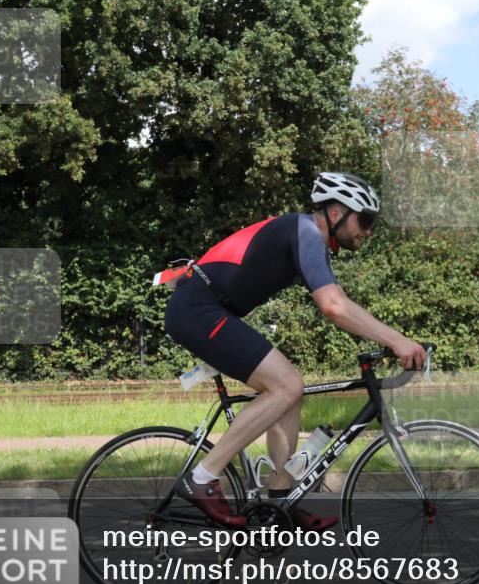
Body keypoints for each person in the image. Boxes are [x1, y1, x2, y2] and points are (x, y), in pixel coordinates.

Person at [164, 172, 427, 531]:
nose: (368, 230)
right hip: (197, 310)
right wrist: (397, 340)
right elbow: (333, 306)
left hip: (206, 309)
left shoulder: (307, 237)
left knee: (290, 392)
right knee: (286, 384)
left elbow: (340, 304)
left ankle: (279, 498)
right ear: (336, 213)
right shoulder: (305, 231)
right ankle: (203, 476)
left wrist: (388, 338)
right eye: (365, 220)